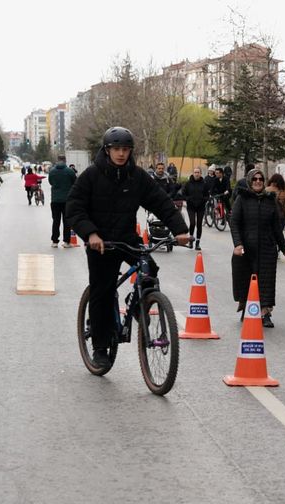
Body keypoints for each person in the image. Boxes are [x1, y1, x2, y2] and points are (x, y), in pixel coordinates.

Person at [66, 126, 190, 368]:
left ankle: (141, 305)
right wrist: (90, 233)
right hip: (100, 243)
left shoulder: (137, 176)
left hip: (126, 239)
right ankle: (101, 347)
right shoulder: (91, 175)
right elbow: (74, 207)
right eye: (116, 149)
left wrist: (180, 229)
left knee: (150, 271)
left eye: (125, 149)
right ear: (107, 150)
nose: (121, 154)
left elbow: (160, 202)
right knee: (102, 291)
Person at [230, 169, 285, 328]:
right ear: (250, 181)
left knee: (266, 281)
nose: (258, 181)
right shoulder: (242, 199)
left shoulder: (270, 200)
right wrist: (238, 244)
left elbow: (276, 226)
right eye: (255, 179)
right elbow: (234, 222)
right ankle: (247, 307)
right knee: (246, 279)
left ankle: (265, 312)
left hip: (267, 248)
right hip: (246, 248)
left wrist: (284, 248)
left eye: (261, 179)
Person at [48, 155, 77, 247]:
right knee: (67, 221)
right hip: (67, 200)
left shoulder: (52, 171)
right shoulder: (70, 171)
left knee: (56, 221)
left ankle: (55, 241)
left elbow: (51, 182)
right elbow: (75, 183)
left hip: (55, 200)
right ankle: (67, 242)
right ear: (65, 160)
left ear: (57, 160)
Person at [183, 166, 209, 250]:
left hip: (200, 206)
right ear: (193, 173)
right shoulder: (188, 183)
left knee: (199, 224)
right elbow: (183, 193)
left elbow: (207, 195)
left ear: (200, 174)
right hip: (191, 206)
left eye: (198, 172)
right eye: (195, 172)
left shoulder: (204, 183)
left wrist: (204, 200)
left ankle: (197, 243)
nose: (196, 174)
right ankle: (191, 241)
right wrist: (188, 199)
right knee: (192, 223)